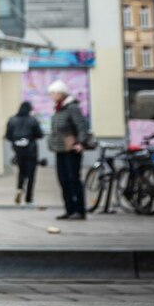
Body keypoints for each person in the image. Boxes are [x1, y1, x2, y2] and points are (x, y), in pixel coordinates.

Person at [47, 80, 90, 220]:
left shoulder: (72, 108)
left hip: (72, 149)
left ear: (61, 93)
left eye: (53, 93)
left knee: (73, 179)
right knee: (63, 180)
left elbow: (81, 126)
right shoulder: (59, 108)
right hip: (59, 149)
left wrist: (81, 143)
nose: (51, 96)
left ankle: (79, 210)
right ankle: (69, 209)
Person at [4, 101, 44, 205]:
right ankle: (29, 198)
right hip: (31, 151)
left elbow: (8, 136)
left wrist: (16, 141)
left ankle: (19, 189)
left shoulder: (12, 120)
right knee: (31, 174)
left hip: (18, 150)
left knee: (21, 172)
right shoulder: (33, 120)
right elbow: (40, 134)